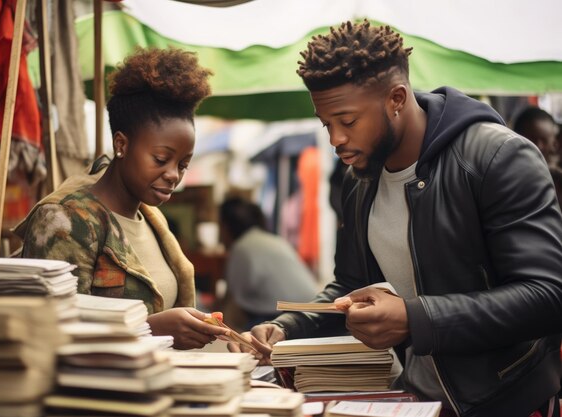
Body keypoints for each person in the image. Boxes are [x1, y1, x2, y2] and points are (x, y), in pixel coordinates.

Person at [230, 20, 562, 417]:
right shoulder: (359, 181)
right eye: (326, 124)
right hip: (418, 398)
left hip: (509, 400)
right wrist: (289, 327)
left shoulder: (496, 158)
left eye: (347, 121)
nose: (335, 138)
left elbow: (547, 295)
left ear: (397, 99)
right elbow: (351, 287)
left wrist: (416, 318)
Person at [17, 47, 229, 350]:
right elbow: (45, 332)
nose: (173, 174)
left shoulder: (153, 222)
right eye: (161, 159)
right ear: (121, 144)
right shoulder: (65, 221)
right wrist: (149, 329)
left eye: (183, 164)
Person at [219, 197, 317, 330]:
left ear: (225, 227)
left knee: (237, 331)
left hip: (284, 315)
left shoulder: (241, 247)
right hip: (314, 311)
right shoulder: (275, 240)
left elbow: (231, 300)